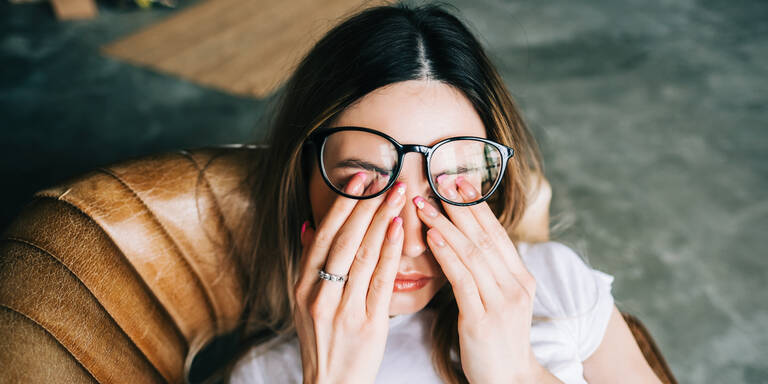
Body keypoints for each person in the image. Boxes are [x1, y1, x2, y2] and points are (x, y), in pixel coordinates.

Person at [225, 2, 662, 383]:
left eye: (451, 184)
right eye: (367, 185)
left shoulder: (557, 285)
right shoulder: (264, 374)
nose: (413, 243)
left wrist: (516, 375)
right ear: (303, 178)